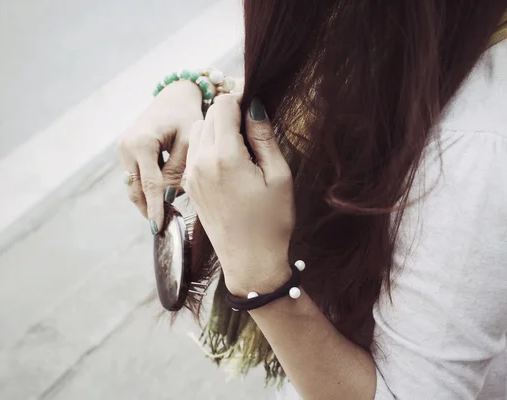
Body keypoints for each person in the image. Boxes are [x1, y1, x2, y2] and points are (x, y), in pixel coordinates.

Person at [118, 1, 507, 398]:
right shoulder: (410, 37)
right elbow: (338, 98)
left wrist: (258, 275)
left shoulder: (473, 148)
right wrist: (197, 93)